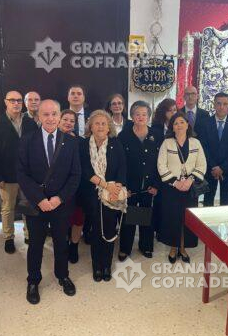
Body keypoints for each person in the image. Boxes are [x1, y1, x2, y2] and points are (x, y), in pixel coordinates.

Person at [17, 100, 81, 304]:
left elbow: (75, 174)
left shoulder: (70, 142)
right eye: (46, 114)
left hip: (61, 204)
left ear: (59, 115)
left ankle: (62, 276)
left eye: (54, 114)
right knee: (35, 244)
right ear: (38, 117)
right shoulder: (27, 140)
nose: (51, 118)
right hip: (37, 204)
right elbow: (22, 174)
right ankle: (33, 280)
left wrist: (59, 198)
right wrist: (40, 199)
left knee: (61, 242)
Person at [78, 110, 126, 282]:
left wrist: (117, 187)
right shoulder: (83, 145)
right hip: (91, 194)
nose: (100, 126)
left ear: (109, 127)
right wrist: (106, 185)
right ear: (90, 126)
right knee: (96, 231)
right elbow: (84, 170)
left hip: (111, 194)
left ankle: (106, 265)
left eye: (103, 123)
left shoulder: (116, 143)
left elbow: (122, 168)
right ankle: (96, 266)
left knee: (110, 228)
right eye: (96, 123)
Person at [0, 91, 38, 253]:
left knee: (28, 205)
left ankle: (29, 233)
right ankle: (9, 238)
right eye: (12, 100)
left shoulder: (30, 123)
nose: (16, 103)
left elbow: (35, 148)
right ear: (5, 102)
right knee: (8, 208)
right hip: (7, 175)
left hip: (28, 174)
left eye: (18, 100)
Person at [157, 112, 207, 263]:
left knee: (187, 219)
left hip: (190, 188)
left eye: (182, 122)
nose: (179, 125)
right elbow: (161, 165)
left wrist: (190, 180)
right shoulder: (167, 143)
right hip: (171, 188)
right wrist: (175, 182)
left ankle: (183, 247)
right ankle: (173, 248)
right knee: (173, 218)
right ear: (172, 126)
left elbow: (202, 164)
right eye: (175, 123)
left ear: (187, 125)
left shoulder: (196, 143)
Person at [118, 101, 159, 260]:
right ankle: (125, 248)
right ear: (132, 116)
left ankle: (146, 246)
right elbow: (120, 163)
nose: (141, 117)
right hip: (130, 185)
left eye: (144, 114)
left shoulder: (156, 135)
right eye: (137, 114)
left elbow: (160, 163)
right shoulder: (124, 135)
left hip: (149, 185)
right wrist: (123, 186)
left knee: (146, 216)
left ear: (148, 116)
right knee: (129, 217)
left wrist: (156, 185)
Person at [199, 92, 228, 206]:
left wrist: (222, 168)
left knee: (226, 201)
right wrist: (214, 167)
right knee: (208, 200)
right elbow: (204, 147)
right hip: (210, 169)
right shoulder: (205, 123)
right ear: (214, 105)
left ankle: (225, 223)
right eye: (219, 103)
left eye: (225, 104)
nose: (221, 107)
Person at [59, 109, 83, 263]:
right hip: (59, 187)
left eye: (72, 121)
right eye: (65, 119)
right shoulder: (52, 138)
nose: (68, 123)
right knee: (61, 219)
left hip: (77, 186)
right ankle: (62, 245)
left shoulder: (80, 141)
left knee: (77, 218)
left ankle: (74, 246)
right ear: (59, 120)